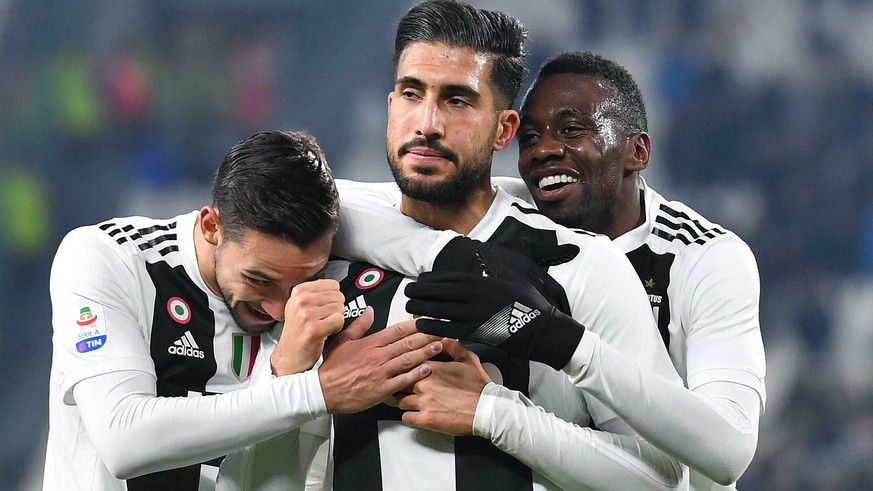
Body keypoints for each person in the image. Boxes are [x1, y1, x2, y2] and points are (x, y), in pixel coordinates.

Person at [222, 1, 688, 490]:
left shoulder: (580, 266)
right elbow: (243, 480)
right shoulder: (314, 259)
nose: (427, 123)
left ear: (504, 129)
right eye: (411, 93)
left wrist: (497, 415)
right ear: (389, 107)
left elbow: (662, 478)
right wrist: (287, 377)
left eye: (457, 101)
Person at [351, 51, 766, 490]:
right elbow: (343, 203)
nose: (544, 150)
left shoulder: (703, 258)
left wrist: (548, 341)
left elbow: (729, 451)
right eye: (529, 138)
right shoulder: (514, 215)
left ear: (637, 151)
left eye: (572, 130)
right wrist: (444, 251)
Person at [43, 130, 442, 490]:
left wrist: (289, 375)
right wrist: (316, 390)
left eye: (301, 281)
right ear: (212, 227)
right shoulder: (109, 258)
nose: (279, 309)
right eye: (259, 279)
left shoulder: (313, 307)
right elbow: (123, 441)